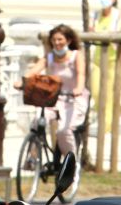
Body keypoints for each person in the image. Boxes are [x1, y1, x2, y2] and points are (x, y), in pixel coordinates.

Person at [22, 24, 87, 158]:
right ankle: (32, 157)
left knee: (64, 131)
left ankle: (71, 163)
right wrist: (22, 82)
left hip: (73, 99)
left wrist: (79, 88)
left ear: (68, 40)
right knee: (37, 122)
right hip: (53, 99)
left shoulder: (76, 56)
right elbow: (33, 72)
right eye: (54, 40)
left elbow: (81, 74)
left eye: (60, 39)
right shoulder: (49, 57)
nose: (57, 43)